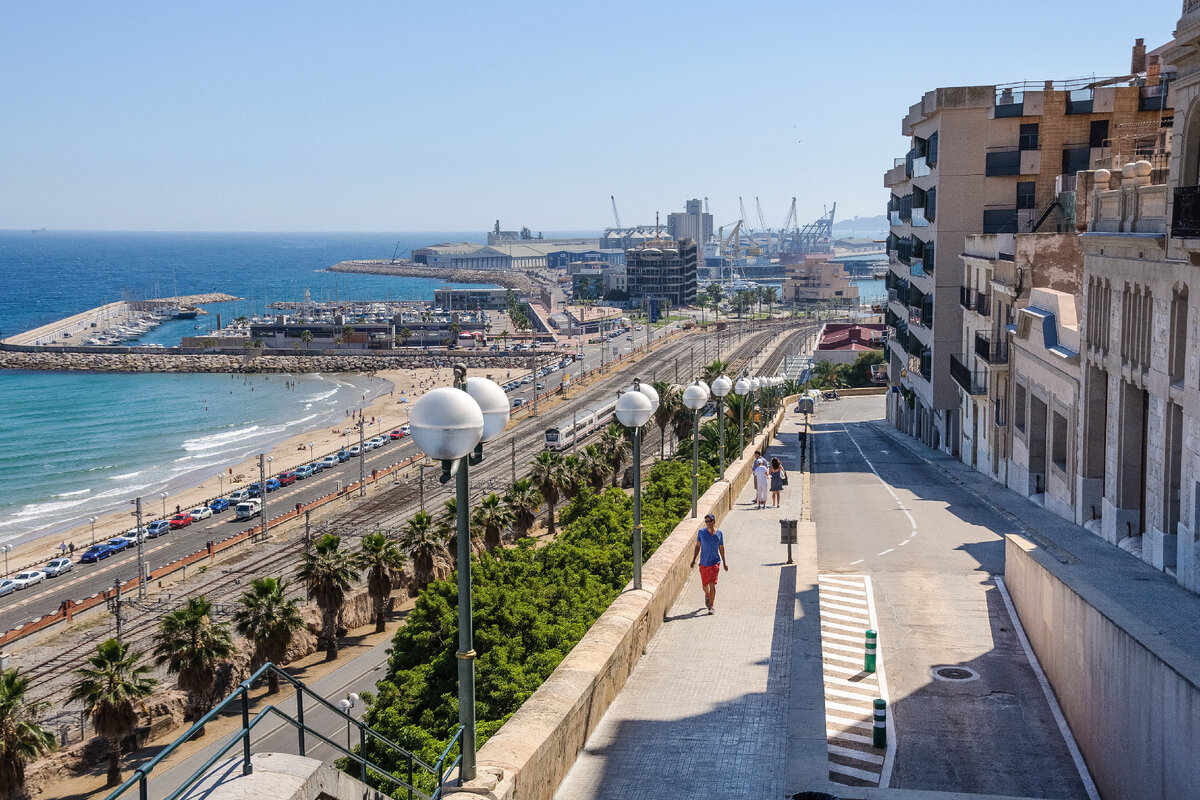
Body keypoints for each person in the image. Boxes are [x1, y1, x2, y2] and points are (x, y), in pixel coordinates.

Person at [690, 513, 727, 614]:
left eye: (709, 521)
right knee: (705, 585)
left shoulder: (719, 533)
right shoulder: (701, 532)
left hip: (715, 562)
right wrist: (693, 560)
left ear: (714, 522)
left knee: (712, 583)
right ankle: (707, 594)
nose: (708, 523)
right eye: (706, 522)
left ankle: (711, 606)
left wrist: (724, 562)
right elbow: (698, 546)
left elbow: (721, 547)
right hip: (703, 563)